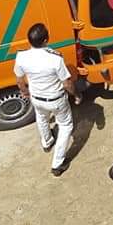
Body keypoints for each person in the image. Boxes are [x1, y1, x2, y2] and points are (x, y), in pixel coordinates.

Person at [13, 23, 78, 177]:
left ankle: (47, 142)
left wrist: (25, 92)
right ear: (45, 40)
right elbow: (67, 83)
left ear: (29, 40)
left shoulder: (21, 56)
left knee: (41, 118)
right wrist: (76, 95)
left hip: (36, 98)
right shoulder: (55, 58)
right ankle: (57, 164)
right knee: (65, 126)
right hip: (56, 99)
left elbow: (19, 80)